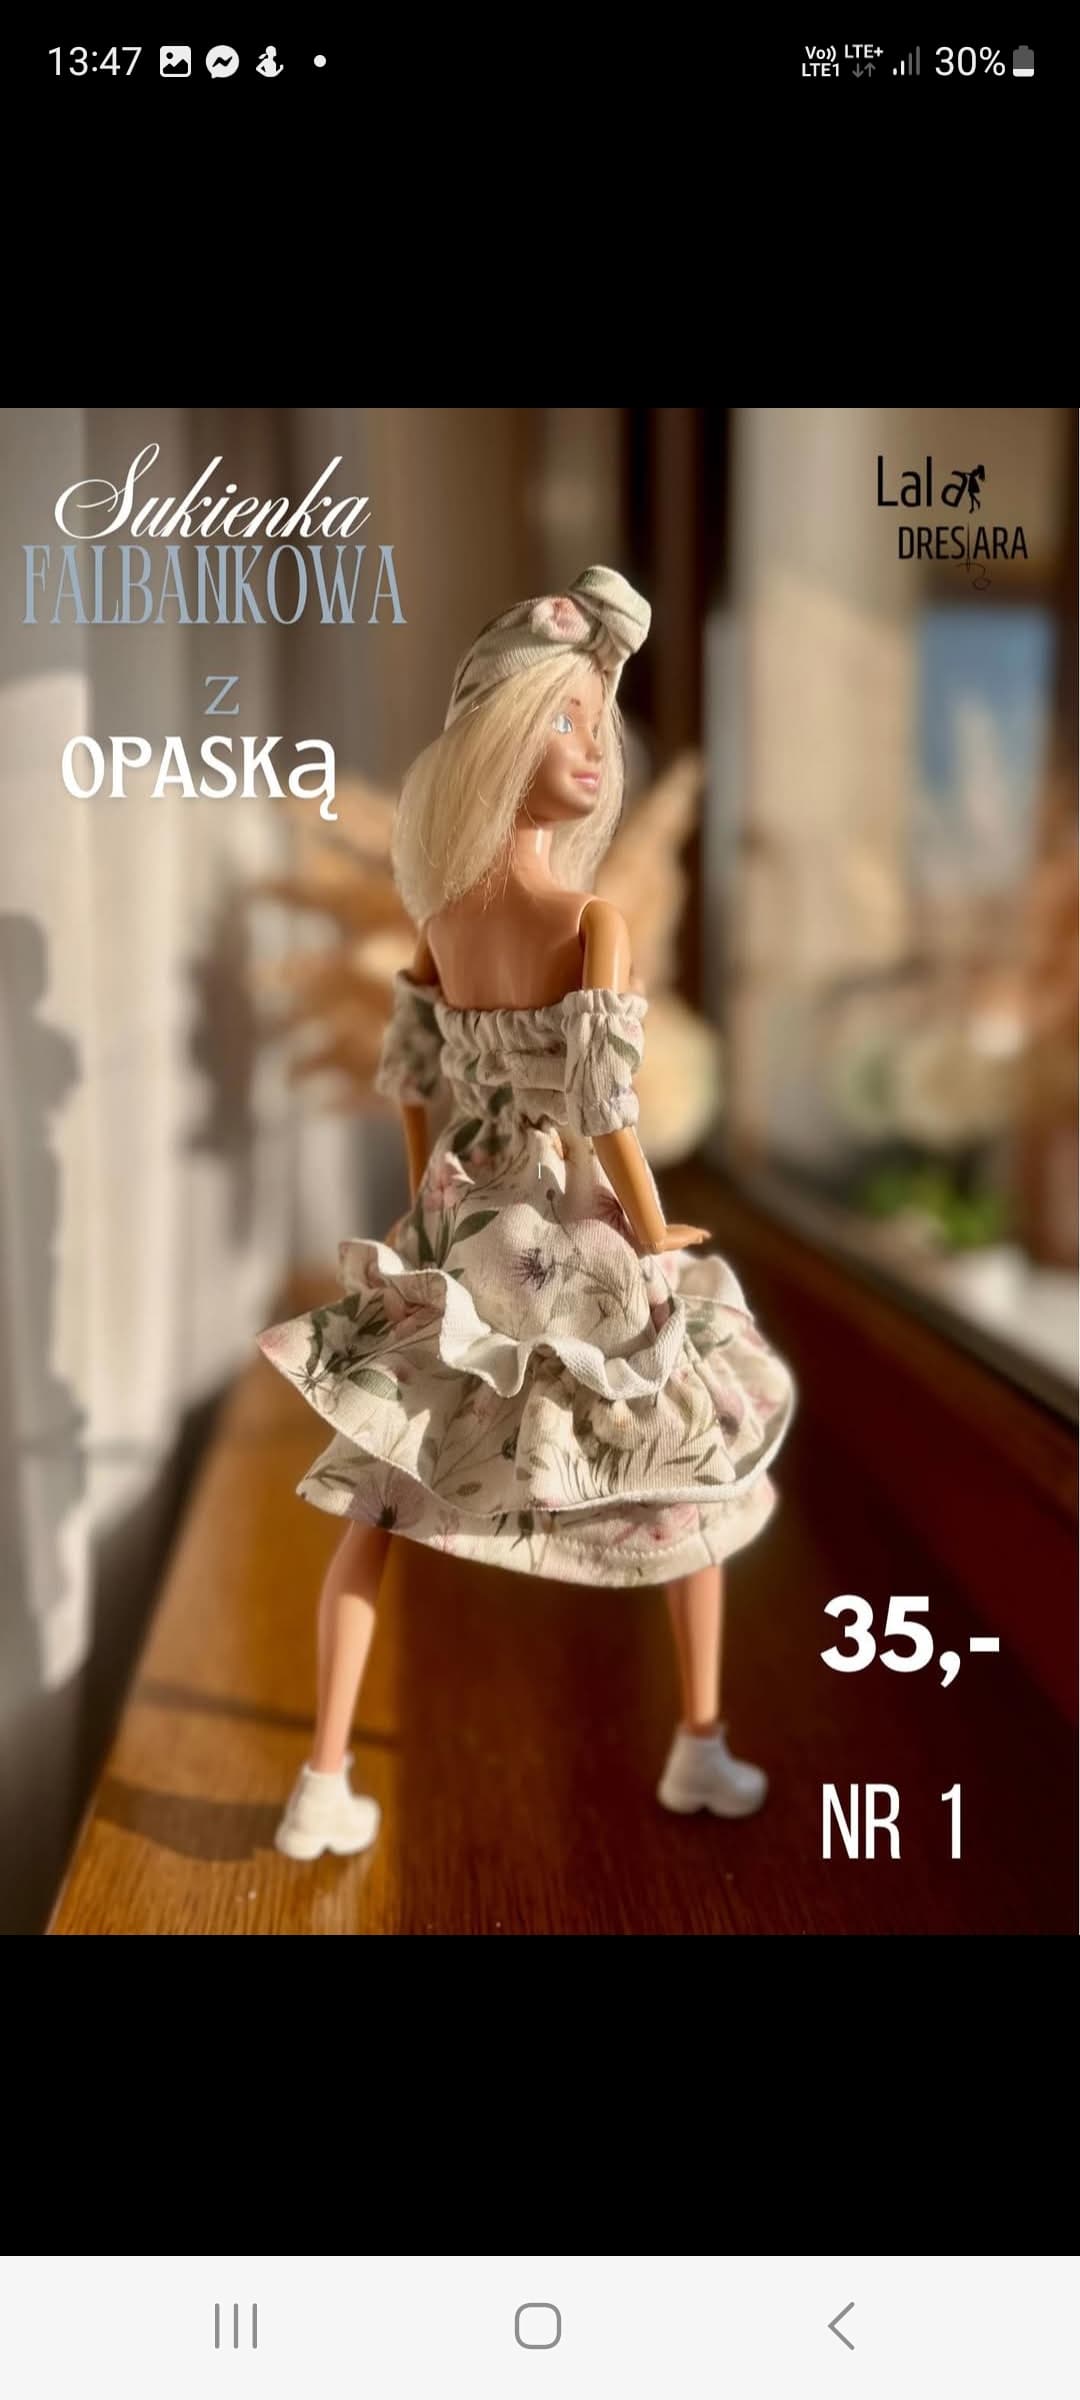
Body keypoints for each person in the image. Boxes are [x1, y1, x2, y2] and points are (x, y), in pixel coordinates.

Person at [258, 565, 796, 1862]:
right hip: (569, 1217)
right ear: (500, 741)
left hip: (467, 1221)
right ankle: (698, 1743)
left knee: (382, 1495)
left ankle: (323, 1779)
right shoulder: (588, 920)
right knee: (687, 1474)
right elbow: (607, 1109)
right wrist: (651, 1233)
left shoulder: (441, 919)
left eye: (598, 726)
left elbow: (410, 1079)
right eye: (563, 722)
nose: (594, 752)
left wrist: (425, 1198)